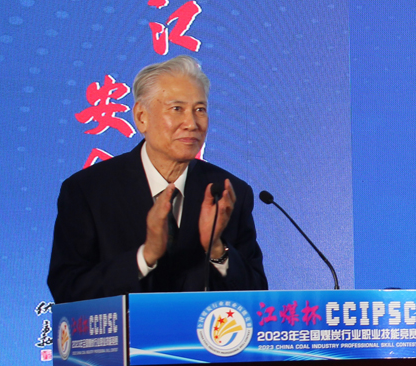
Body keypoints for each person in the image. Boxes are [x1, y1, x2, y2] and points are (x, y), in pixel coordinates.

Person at [47, 55, 267, 303]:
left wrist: (216, 249)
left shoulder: (228, 191)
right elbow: (68, 289)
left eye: (200, 110)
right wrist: (145, 256)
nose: (191, 123)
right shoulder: (88, 190)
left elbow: (257, 295)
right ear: (142, 117)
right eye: (177, 109)